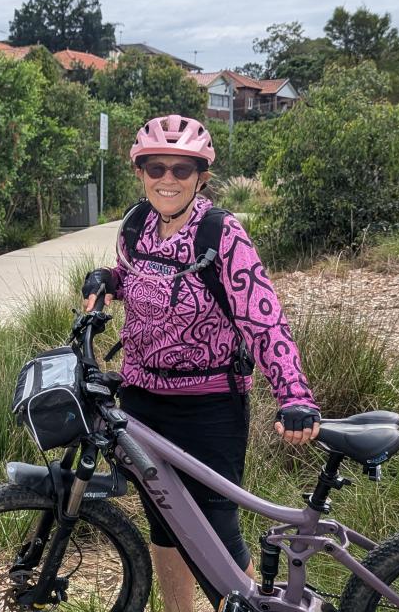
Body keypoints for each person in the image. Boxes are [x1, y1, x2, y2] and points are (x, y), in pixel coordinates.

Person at [81, 114, 320, 612]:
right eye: (155, 167)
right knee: (164, 521)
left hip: (209, 404)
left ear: (202, 176)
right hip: (141, 398)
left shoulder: (221, 233)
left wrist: (293, 394)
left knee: (215, 526)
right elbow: (134, 277)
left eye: (181, 170)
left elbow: (264, 318)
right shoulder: (135, 224)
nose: (167, 179)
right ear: (140, 171)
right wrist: (106, 279)